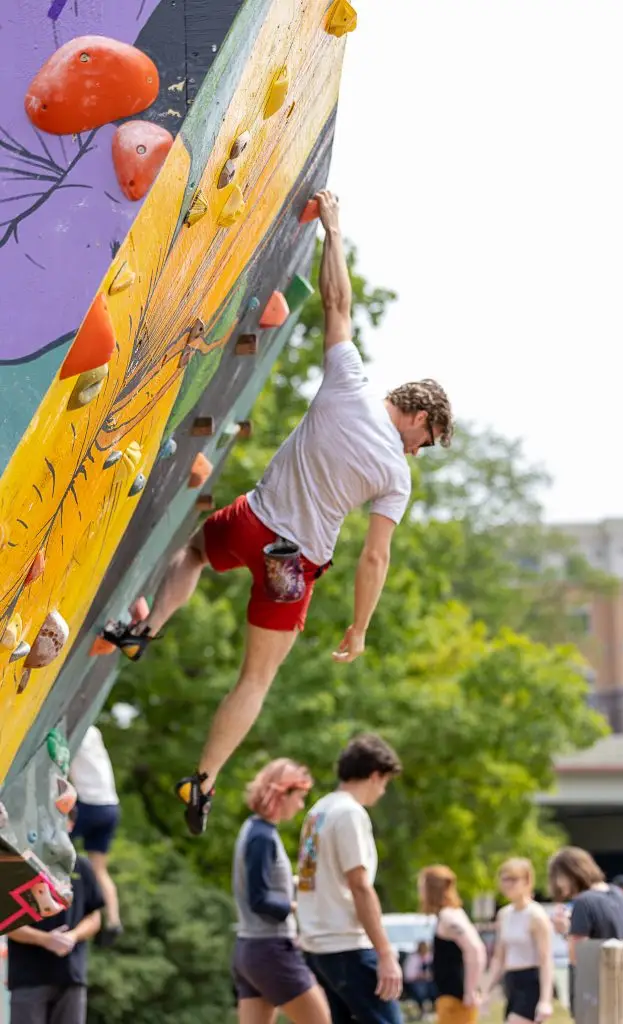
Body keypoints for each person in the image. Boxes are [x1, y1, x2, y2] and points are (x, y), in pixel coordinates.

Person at [101, 190, 454, 836]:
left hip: (251, 522)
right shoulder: (395, 474)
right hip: (292, 567)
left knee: (194, 552)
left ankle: (144, 631)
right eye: (425, 439)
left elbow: (338, 302)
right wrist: (359, 626)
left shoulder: (347, 381)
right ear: (421, 414)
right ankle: (202, 781)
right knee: (256, 679)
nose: (417, 450)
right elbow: (374, 557)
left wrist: (334, 230)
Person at [296, 734, 404, 1024]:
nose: (382, 791)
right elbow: (359, 885)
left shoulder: (317, 813)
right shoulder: (350, 814)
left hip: (318, 948)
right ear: (375, 775)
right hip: (347, 945)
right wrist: (385, 953)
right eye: (384, 782)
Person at [231, 758, 331, 1024]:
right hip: (271, 949)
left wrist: (300, 884)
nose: (300, 805)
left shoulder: (253, 829)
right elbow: (259, 899)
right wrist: (298, 907)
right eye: (299, 797)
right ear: (281, 794)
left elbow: (265, 883)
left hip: (249, 949)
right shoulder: (262, 837)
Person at [6, 814, 104, 1024]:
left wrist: (73, 936)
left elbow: (95, 916)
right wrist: (45, 940)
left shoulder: (82, 866)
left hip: (71, 975)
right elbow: (7, 923)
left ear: (71, 824)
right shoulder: (20, 865)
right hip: (28, 976)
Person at [547, 846, 623, 1018]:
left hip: (592, 990)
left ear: (570, 873)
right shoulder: (618, 895)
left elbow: (578, 954)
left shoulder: (583, 902)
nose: (559, 885)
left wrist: (565, 931)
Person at [480, 858, 553, 1024]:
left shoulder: (536, 915)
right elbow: (499, 956)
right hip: (511, 980)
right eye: (504, 879)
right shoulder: (504, 914)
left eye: (513, 879)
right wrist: (486, 990)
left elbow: (545, 959)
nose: (508, 884)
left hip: (531, 979)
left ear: (527, 881)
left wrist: (545, 1000)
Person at [69, 724, 122, 945]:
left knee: (53, 850)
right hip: (111, 806)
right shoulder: (94, 731)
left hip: (88, 805)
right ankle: (113, 921)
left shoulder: (73, 728)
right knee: (99, 869)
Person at [418, 865, 486, 1024]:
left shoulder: (448, 917)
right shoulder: (452, 914)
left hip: (455, 998)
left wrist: (470, 990)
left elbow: (475, 949)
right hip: (450, 996)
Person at [402, 941, 436, 1017]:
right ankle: (422, 1010)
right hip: (414, 982)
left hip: (429, 981)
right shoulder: (412, 958)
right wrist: (421, 976)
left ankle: (434, 1009)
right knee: (420, 990)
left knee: (435, 989)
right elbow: (409, 975)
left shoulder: (430, 957)